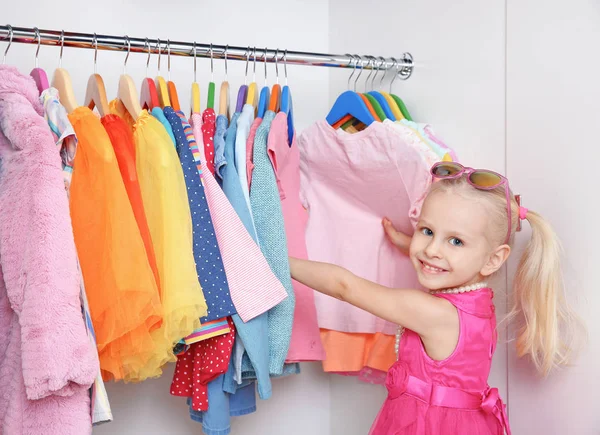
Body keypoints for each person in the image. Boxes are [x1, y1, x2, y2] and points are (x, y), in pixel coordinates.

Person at [289, 162, 579, 435]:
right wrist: (409, 244)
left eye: (455, 241)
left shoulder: (433, 314)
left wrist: (280, 262)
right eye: (427, 231)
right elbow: (445, 258)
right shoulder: (478, 300)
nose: (432, 250)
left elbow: (345, 286)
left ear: (493, 259)